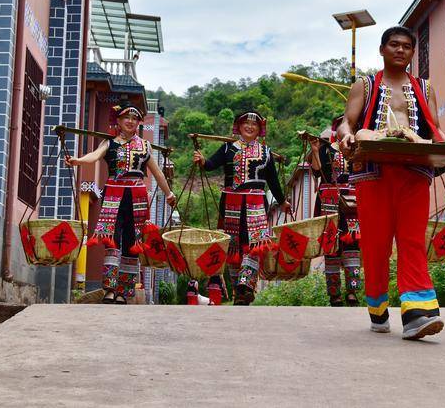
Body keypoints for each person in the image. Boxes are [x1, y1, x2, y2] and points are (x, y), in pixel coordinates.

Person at [338, 25, 445, 340]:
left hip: (414, 171)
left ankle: (418, 314)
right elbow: (349, 121)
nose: (401, 50)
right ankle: (377, 307)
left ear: (413, 53)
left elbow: (434, 127)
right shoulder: (365, 85)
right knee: (376, 246)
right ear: (382, 50)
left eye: (407, 47)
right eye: (394, 45)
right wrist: (346, 136)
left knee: (412, 240)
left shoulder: (425, 88)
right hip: (373, 172)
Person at [65, 102, 176, 304]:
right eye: (127, 118)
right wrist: (78, 161)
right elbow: (94, 156)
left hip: (137, 197)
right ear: (118, 120)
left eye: (134, 119)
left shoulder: (145, 146)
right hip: (114, 194)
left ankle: (124, 291)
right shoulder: (109, 144)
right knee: (112, 242)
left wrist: (168, 193)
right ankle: (109, 289)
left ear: (138, 123)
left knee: (132, 244)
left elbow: (157, 172)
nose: (131, 122)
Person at [193, 111, 292, 305]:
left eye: (253, 125)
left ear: (259, 129)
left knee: (254, 245)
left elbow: (272, 181)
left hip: (256, 204)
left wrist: (282, 202)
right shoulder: (228, 149)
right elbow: (210, 165)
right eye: (245, 123)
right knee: (233, 246)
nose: (249, 127)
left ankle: (245, 285)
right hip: (231, 203)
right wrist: (202, 160)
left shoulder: (266, 152)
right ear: (238, 126)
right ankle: (239, 290)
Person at [309, 116, 361, 306]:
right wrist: (315, 151)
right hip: (329, 201)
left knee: (353, 245)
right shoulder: (325, 148)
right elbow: (317, 172)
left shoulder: (359, 149)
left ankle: (352, 292)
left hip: (353, 201)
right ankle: (334, 294)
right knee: (331, 247)